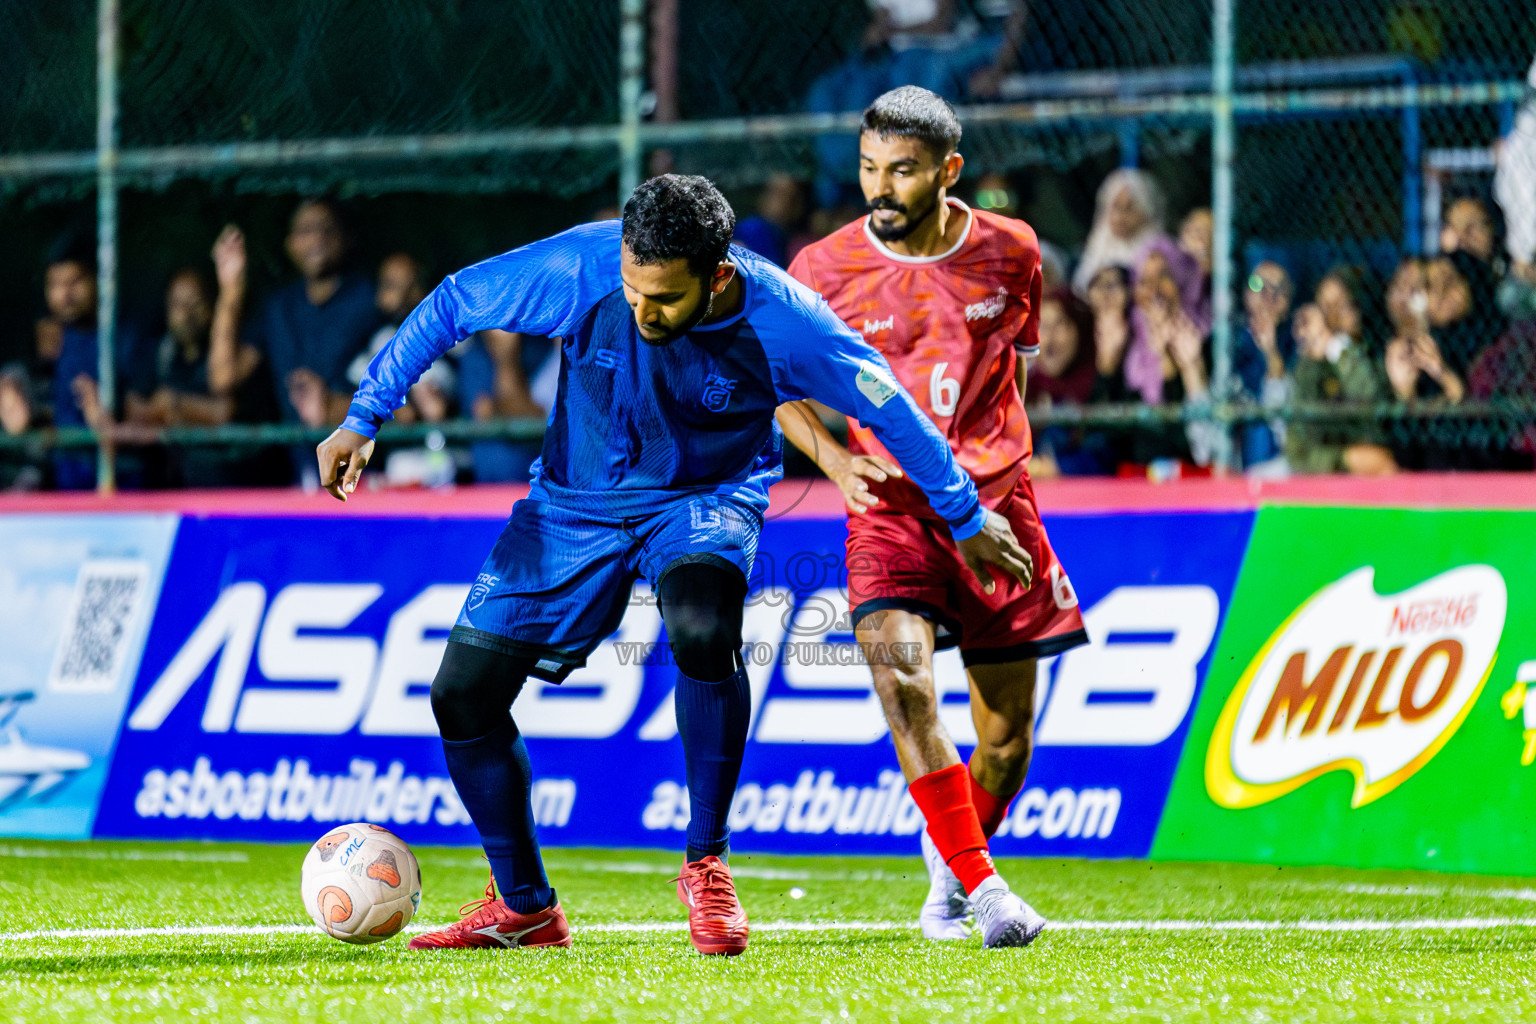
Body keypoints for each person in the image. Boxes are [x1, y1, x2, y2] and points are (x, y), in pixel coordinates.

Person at [315, 173, 1035, 956]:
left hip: (705, 499)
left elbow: (887, 402)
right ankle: (524, 905)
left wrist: (964, 514)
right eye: (632, 288)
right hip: (572, 505)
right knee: (460, 697)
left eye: (662, 298)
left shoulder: (786, 319)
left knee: (702, 625)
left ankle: (706, 864)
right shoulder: (583, 268)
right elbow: (455, 301)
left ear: (718, 274)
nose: (640, 310)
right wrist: (364, 416)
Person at [777, 86, 1086, 948]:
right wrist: (838, 462)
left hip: (996, 510)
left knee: (1008, 741)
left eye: (902, 171)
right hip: (890, 514)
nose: (881, 187)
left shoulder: (1012, 251)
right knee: (905, 688)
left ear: (949, 172)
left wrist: (1000, 467)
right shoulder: (820, 270)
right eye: (870, 167)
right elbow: (780, 392)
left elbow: (1013, 375)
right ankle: (985, 892)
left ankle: (951, 857)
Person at [212, 201, 379, 482]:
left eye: (326, 229)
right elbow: (223, 377)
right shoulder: (279, 308)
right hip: (303, 477)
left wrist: (330, 406)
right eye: (305, 230)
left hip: (368, 475)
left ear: (345, 238)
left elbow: (407, 405)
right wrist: (230, 289)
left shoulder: (371, 301)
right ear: (290, 243)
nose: (317, 239)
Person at [1284, 302, 1396, 476]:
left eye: (1339, 305)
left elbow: (1367, 396)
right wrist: (1316, 351)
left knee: (1380, 463)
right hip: (1316, 460)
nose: (1331, 318)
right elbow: (1299, 450)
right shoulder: (1306, 367)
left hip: (1362, 449)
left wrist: (1334, 344)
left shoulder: (1364, 354)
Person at [1232, 260, 1295, 471]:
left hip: (1281, 463)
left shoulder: (1297, 345)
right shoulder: (1228, 342)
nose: (1267, 295)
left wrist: (1271, 354)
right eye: (1257, 285)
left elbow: (1287, 424)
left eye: (1278, 289)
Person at [1071, 167, 1167, 294]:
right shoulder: (1098, 245)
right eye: (1115, 207)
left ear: (1146, 211)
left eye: (1129, 208)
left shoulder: (1159, 250)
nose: (1120, 217)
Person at [731, 174, 805, 268]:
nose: (784, 202)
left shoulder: (791, 237)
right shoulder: (751, 229)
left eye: (790, 196)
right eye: (777, 194)